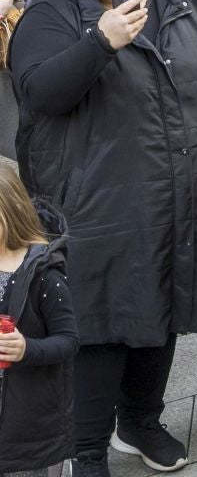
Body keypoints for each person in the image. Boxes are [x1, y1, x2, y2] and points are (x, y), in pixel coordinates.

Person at [11, 0, 197, 477]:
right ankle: (86, 450)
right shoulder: (52, 14)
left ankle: (140, 420)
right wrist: (101, 40)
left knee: (166, 303)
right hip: (101, 205)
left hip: (184, 192)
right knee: (104, 323)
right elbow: (38, 93)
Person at [0, 160, 78, 476]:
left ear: (12, 210)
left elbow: (68, 341)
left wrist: (26, 349)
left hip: (26, 424)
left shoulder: (43, 276)